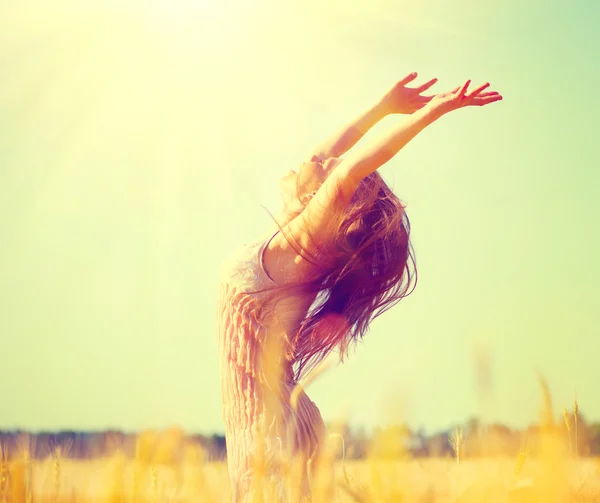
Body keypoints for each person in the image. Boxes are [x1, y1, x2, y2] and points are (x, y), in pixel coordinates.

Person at [216, 73, 502, 501]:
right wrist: (382, 108)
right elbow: (325, 156)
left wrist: (433, 111)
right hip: (277, 422)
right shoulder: (292, 237)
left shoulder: (301, 246)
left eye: (331, 174)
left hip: (269, 434)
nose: (322, 160)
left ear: (329, 203)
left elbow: (348, 168)